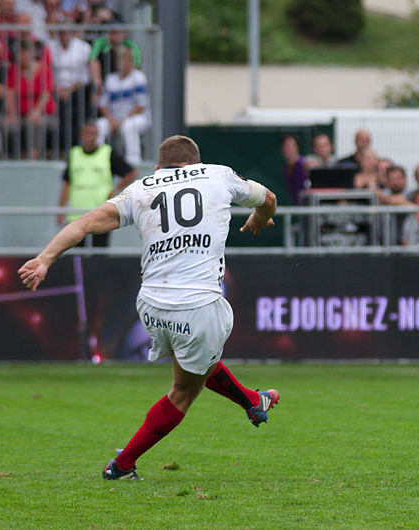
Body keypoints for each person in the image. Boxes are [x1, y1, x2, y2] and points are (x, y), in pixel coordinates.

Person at [18, 135, 280, 481]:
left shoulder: (142, 188)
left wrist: (44, 259)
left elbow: (84, 224)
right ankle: (122, 465)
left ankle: (253, 401)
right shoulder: (218, 175)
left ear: (159, 167)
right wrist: (261, 216)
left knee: (198, 361)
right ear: (195, 163)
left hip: (151, 307)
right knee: (185, 390)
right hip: (197, 305)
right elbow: (269, 199)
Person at [57, 121, 137, 247]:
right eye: (88, 134)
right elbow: (67, 183)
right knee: (76, 255)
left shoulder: (107, 153)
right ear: (81, 136)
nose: (91, 137)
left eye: (94, 134)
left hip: (101, 214)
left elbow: (131, 173)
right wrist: (60, 210)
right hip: (76, 214)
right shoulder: (74, 154)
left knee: (99, 255)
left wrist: (115, 190)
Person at [96, 43, 150, 165]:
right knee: (100, 125)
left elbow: (140, 106)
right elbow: (103, 105)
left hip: (137, 118)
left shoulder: (139, 77)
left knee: (129, 125)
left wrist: (121, 121)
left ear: (131, 61)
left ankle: (133, 162)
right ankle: (99, 161)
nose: (123, 63)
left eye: (126, 59)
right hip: (114, 119)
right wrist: (112, 120)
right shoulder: (110, 79)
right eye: (120, 59)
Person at [280, 133, 310, 204]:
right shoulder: (285, 170)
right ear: (282, 150)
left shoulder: (305, 164)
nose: (290, 149)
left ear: (297, 147)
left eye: (293, 146)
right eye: (287, 146)